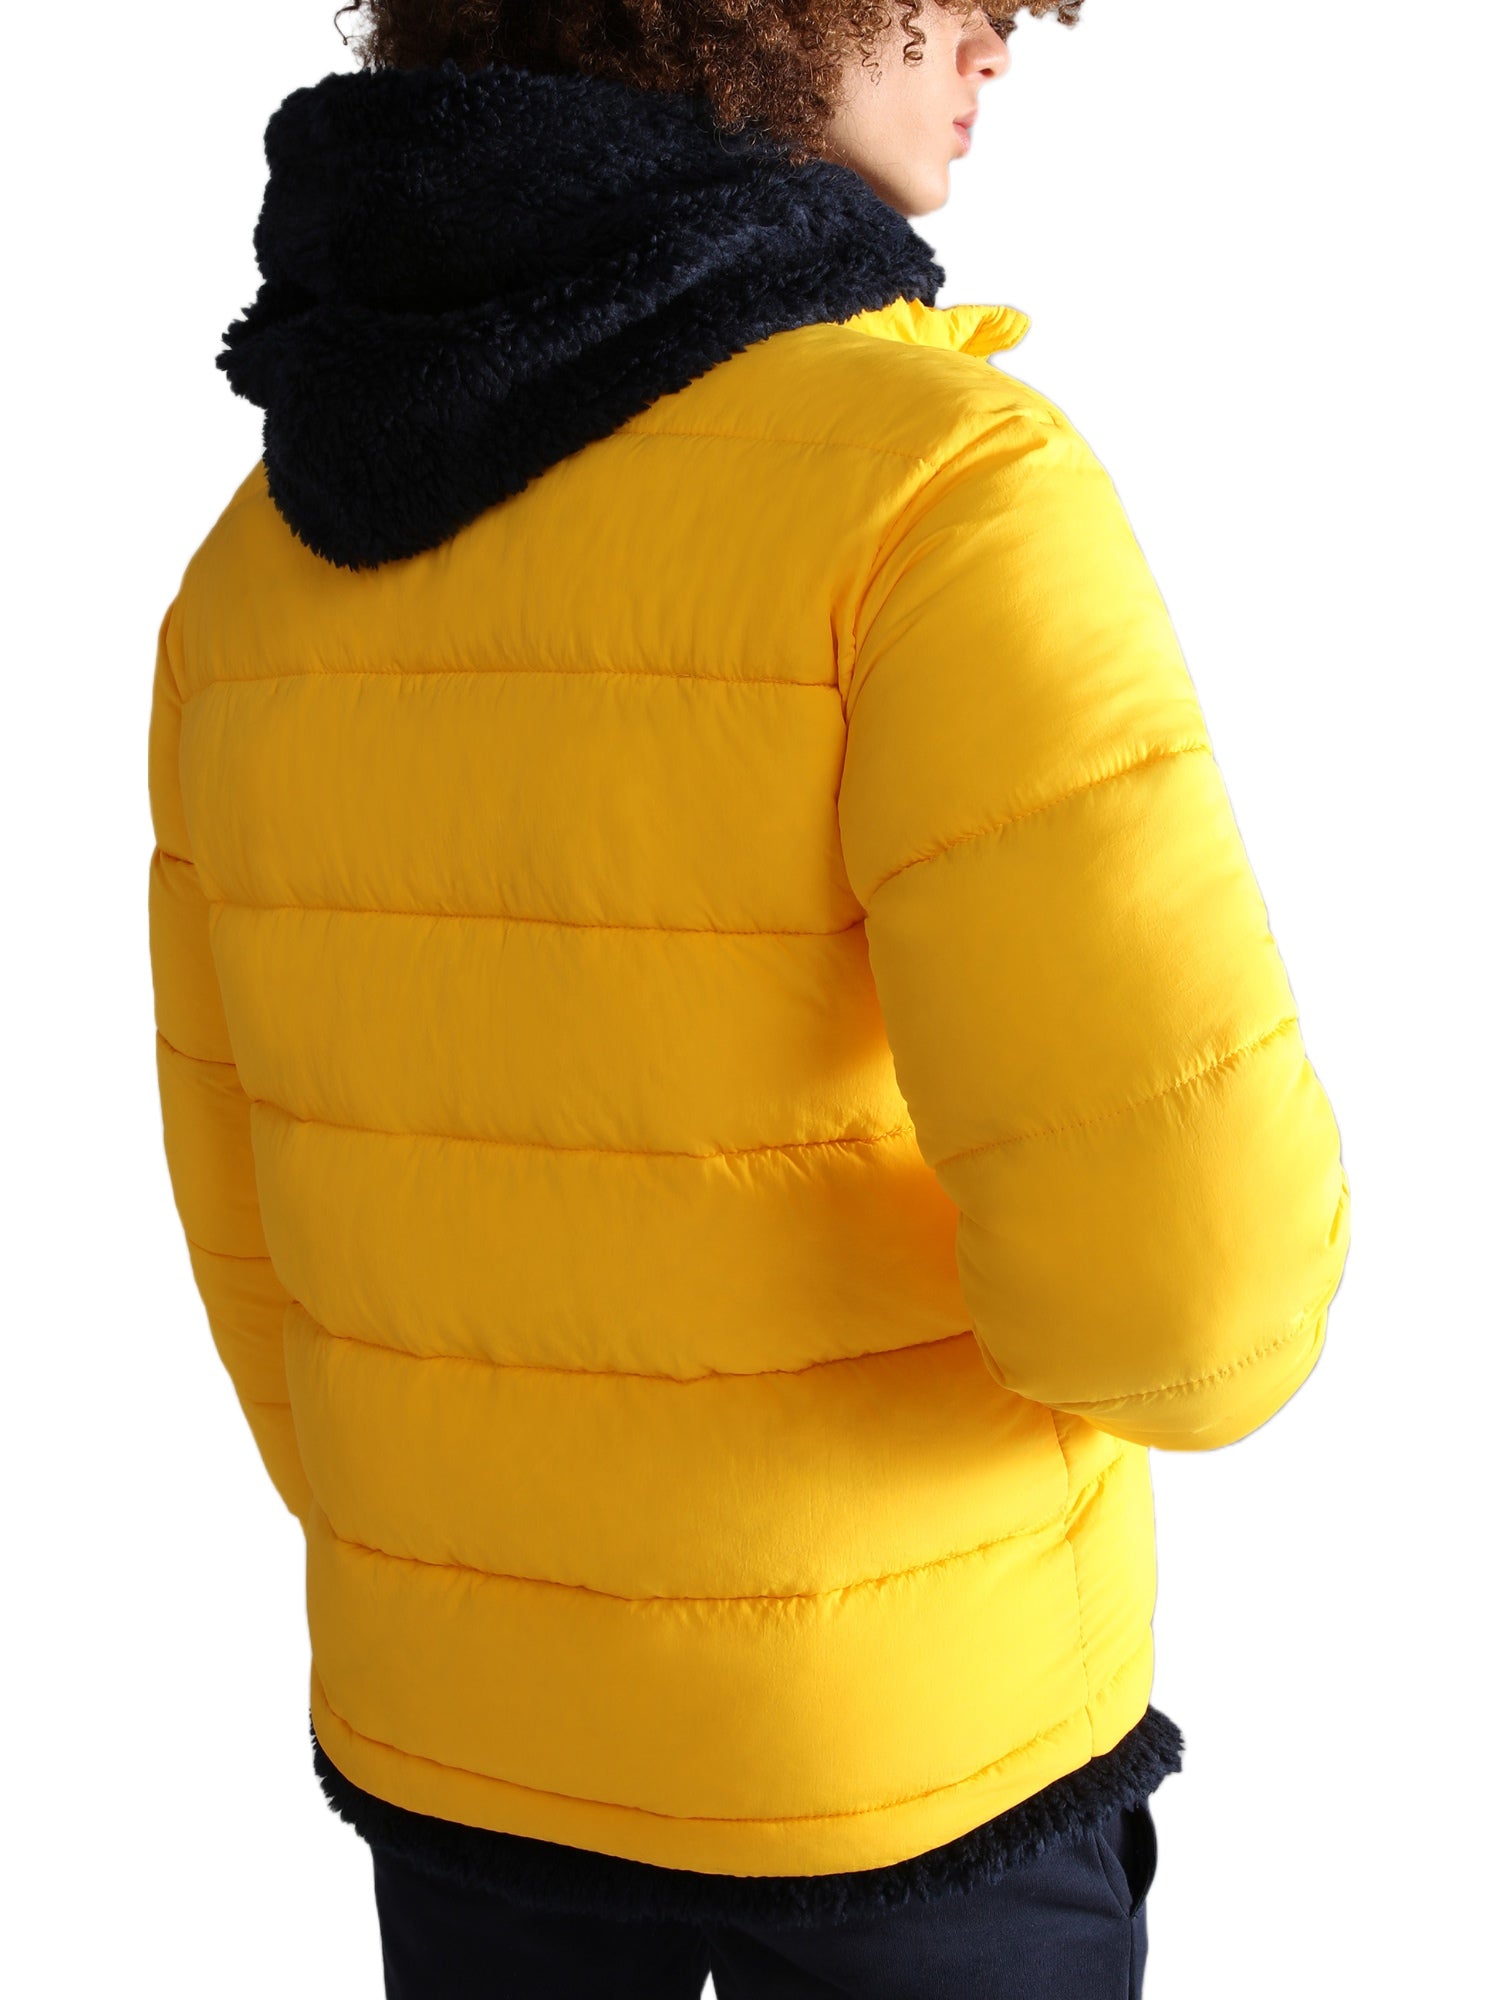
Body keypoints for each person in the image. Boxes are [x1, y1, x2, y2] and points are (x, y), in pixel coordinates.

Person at [147, 1, 1351, 1993]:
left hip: (459, 1727)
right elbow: (1197, 1311)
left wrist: (476, 1552)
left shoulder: (261, 562)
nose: (996, 37)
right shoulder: (933, 489)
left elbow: (247, 1214)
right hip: (896, 1757)